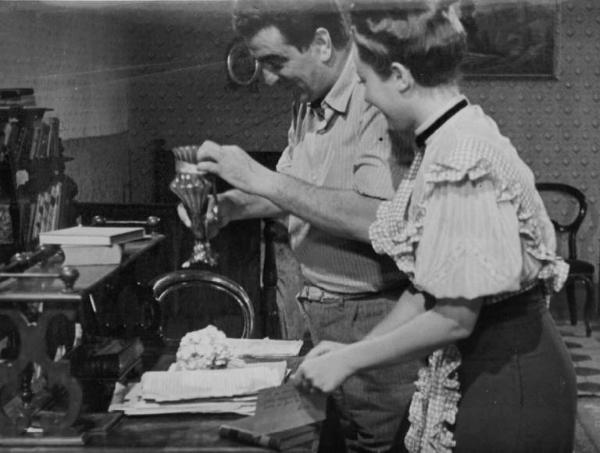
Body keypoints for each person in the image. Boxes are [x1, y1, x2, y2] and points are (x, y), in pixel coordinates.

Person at [291, 1, 577, 452]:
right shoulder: (441, 140)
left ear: (401, 76)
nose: (364, 96)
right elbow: (427, 288)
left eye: (366, 82)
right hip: (479, 362)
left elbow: (455, 318)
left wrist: (350, 360)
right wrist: (354, 351)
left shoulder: (460, 155)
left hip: (508, 373)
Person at [186, 0, 419, 451]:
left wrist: (260, 176)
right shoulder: (310, 100)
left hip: (375, 317)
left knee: (378, 445)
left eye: (276, 61)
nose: (270, 78)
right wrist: (230, 206)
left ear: (321, 43)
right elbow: (297, 195)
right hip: (325, 313)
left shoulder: (376, 99)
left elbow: (376, 219)